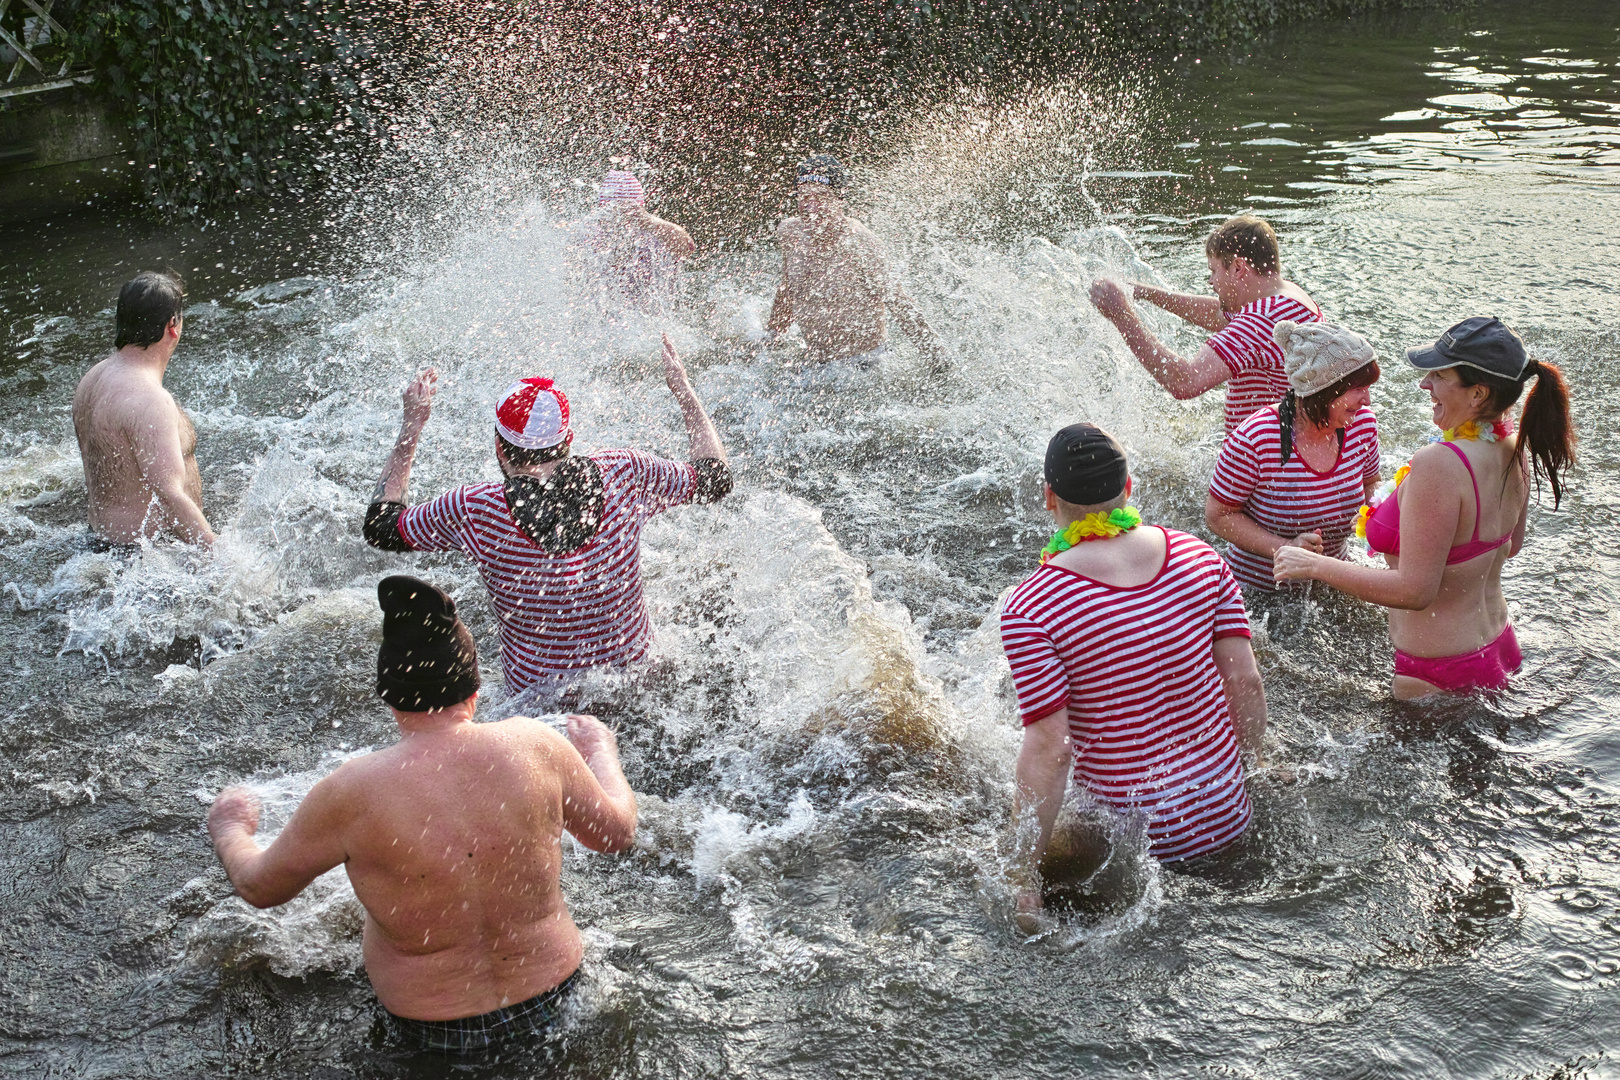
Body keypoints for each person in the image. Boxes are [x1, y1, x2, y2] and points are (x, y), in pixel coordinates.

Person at [208, 576, 637, 1055]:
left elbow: (261, 887)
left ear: (390, 696)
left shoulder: (352, 791)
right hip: (561, 1000)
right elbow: (615, 832)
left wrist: (230, 828)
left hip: (432, 1033)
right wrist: (600, 750)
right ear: (474, 685)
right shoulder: (536, 745)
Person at [363, 333, 732, 702]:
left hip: (539, 714)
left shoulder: (474, 509)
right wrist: (683, 389)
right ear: (568, 438)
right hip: (640, 691)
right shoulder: (625, 474)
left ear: (497, 445)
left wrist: (412, 425)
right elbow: (716, 478)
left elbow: (381, 526)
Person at [1001, 424, 1268, 920]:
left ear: (1048, 498)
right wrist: (1257, 770)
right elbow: (1244, 682)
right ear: (1128, 488)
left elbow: (1052, 750)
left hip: (1136, 849)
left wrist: (1023, 877)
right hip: (1229, 816)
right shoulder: (1200, 557)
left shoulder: (1032, 606)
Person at [1276, 317, 1575, 699]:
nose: (1425, 383)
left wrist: (1316, 566)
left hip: (1440, 673)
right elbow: (1509, 547)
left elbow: (1415, 591)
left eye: (1439, 375)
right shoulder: (1513, 448)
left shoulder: (1439, 462)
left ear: (1478, 394)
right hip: (1500, 646)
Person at [1089, 215, 1322, 434]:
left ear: (1239, 268)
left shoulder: (1259, 320)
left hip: (1264, 463)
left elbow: (1185, 382)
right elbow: (1219, 315)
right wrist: (1144, 292)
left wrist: (1122, 315)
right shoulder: (1290, 298)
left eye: (1213, 270)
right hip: (1293, 445)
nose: (1211, 281)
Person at [1206, 320, 1382, 591]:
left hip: (1334, 582)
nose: (1367, 400)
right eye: (1358, 389)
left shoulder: (1362, 425)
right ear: (1323, 390)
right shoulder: (1256, 438)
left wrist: (1378, 511)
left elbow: (1371, 482)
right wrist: (1285, 548)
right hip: (1260, 593)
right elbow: (1218, 516)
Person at [764, 154, 950, 372]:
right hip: (814, 366)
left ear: (839, 199)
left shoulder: (860, 243)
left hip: (865, 367)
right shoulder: (789, 232)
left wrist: (940, 362)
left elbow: (900, 304)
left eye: (821, 197)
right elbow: (788, 289)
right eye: (804, 197)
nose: (810, 207)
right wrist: (771, 338)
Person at [71, 270, 214, 546]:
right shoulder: (151, 400)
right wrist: (217, 554)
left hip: (99, 543)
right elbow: (170, 495)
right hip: (148, 560)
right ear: (173, 325)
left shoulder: (91, 380)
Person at [580, 169, 696, 309]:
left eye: (628, 213)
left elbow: (688, 248)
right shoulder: (590, 236)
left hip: (646, 315)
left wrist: (649, 222)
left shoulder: (653, 236)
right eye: (613, 212)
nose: (620, 220)